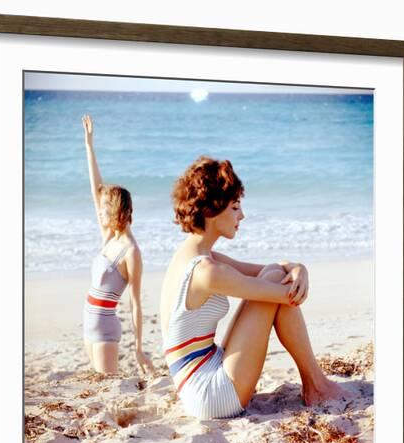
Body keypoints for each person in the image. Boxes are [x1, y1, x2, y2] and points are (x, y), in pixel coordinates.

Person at [160, 155, 351, 420]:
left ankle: (316, 383)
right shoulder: (207, 271)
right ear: (212, 210)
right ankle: (317, 385)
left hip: (201, 372)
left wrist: (298, 268)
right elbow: (286, 294)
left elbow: (268, 269)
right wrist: (295, 277)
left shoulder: (195, 256)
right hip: (210, 395)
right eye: (235, 206)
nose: (242, 215)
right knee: (274, 280)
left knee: (273, 274)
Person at [82, 114, 153, 376]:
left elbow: (135, 303)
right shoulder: (108, 235)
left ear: (114, 211)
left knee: (107, 386)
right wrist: (89, 147)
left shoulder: (131, 252)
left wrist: (138, 348)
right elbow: (96, 189)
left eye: (103, 209)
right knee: (96, 383)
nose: (98, 212)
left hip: (104, 329)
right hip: (88, 320)